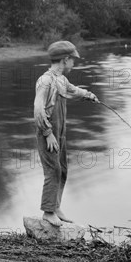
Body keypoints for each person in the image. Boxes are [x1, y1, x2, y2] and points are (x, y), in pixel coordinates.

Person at [34, 41, 99, 227]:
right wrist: (47, 133)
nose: (74, 64)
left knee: (62, 170)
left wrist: (88, 95)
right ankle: (47, 211)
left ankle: (55, 206)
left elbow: (73, 90)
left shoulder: (61, 79)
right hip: (48, 135)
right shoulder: (45, 81)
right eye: (73, 60)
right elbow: (38, 110)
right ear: (65, 59)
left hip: (60, 134)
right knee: (53, 171)